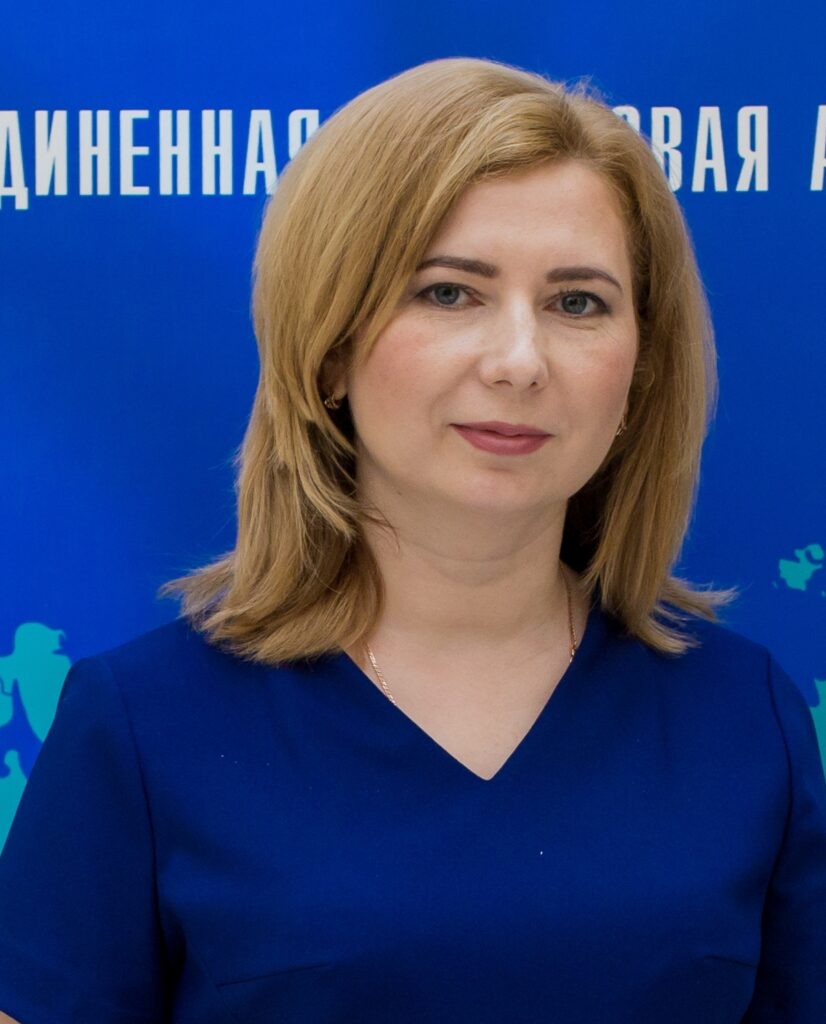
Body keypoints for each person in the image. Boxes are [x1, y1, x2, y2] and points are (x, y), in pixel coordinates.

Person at [0, 55, 824, 1024]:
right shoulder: (143, 727)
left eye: (577, 302)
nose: (519, 360)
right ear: (330, 347)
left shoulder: (744, 717)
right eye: (448, 292)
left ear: (640, 365)